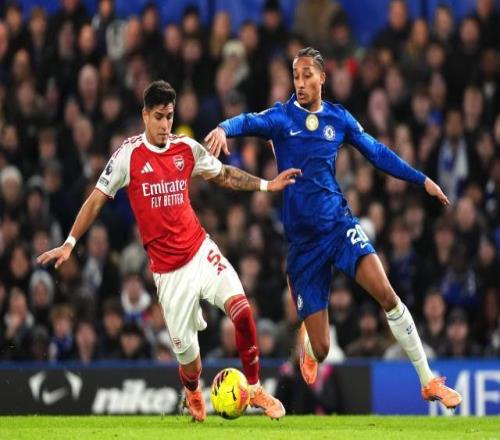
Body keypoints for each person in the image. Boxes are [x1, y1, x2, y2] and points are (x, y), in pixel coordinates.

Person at [205, 47, 462, 409]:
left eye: (307, 75)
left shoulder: (338, 118)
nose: (300, 82)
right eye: (296, 76)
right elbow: (247, 121)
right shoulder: (281, 117)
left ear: (322, 78)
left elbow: (377, 152)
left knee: (387, 295)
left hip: (339, 227)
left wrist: (422, 180)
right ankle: (309, 344)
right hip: (303, 245)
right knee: (323, 349)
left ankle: (427, 380)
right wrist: (223, 128)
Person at [38, 80, 299, 421]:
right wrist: (70, 242)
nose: (165, 124)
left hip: (200, 250)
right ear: (145, 115)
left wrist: (267, 184)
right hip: (168, 273)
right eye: (159, 117)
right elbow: (96, 200)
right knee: (190, 361)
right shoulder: (128, 155)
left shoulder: (186, 149)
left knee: (242, 310)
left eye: (170, 117)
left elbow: (223, 175)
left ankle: (254, 388)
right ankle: (192, 390)